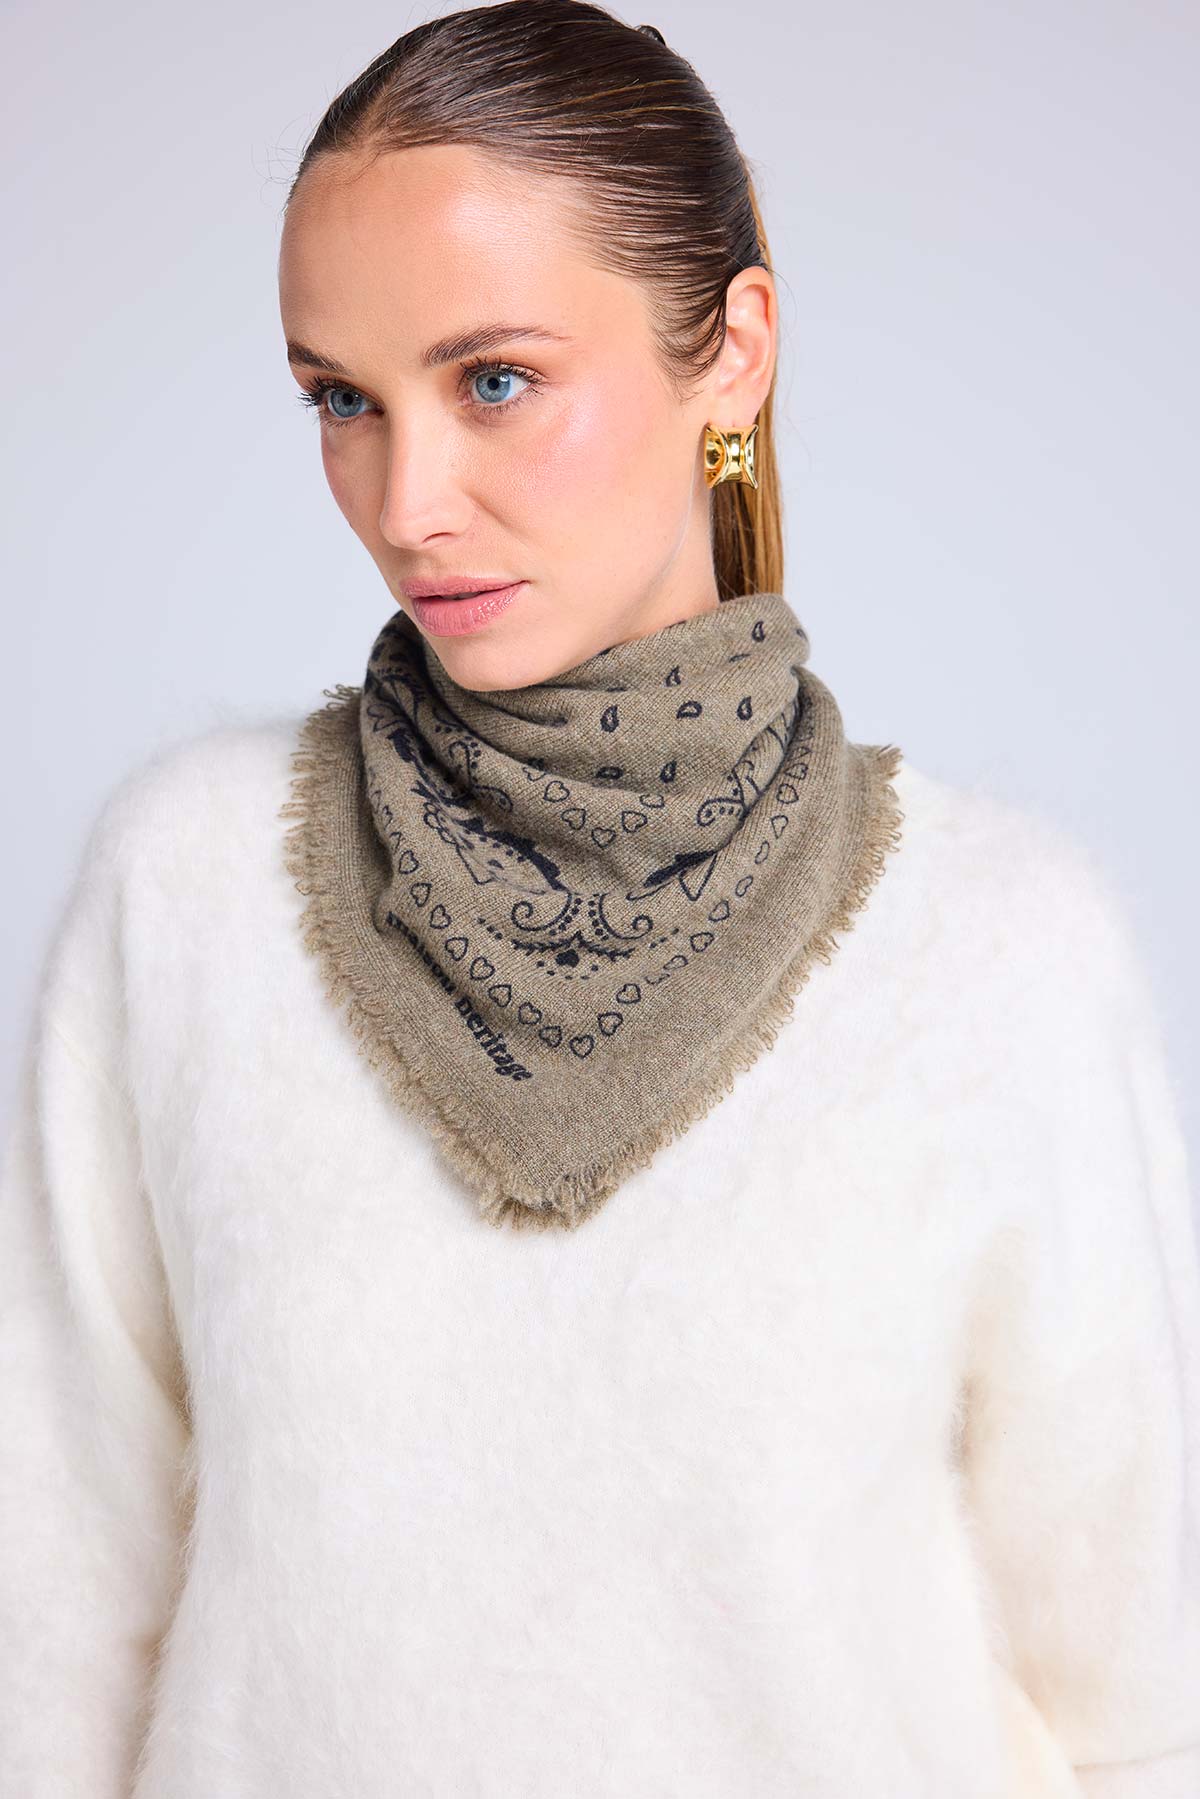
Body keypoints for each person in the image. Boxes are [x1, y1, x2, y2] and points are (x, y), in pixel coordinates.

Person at [2, 2, 1197, 1794]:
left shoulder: (1001, 950)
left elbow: (1141, 1699)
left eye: (493, 381)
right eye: (342, 399)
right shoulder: (185, 889)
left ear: (735, 356)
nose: (407, 503)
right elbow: (49, 1621)